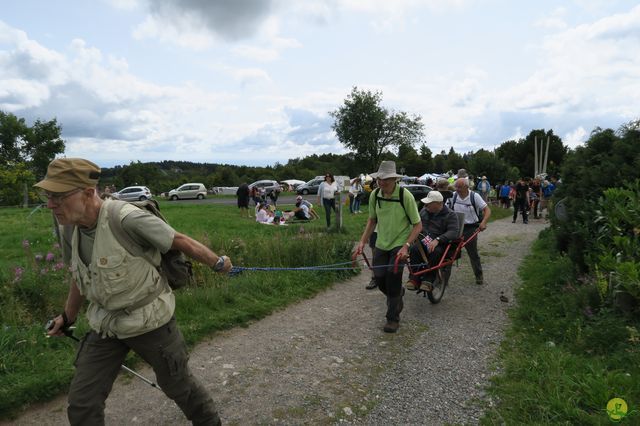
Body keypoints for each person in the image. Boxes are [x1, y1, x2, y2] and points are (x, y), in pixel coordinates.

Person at [38, 158, 231, 426]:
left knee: (178, 386)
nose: (50, 205)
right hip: (105, 324)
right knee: (83, 403)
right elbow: (79, 274)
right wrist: (67, 317)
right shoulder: (69, 229)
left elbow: (179, 240)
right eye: (48, 196)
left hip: (150, 320)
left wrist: (218, 263)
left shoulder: (126, 218)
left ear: (86, 192)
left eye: (58, 197)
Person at [353, 161, 422, 333]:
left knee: (393, 278)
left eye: (386, 180)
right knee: (380, 277)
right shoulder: (375, 195)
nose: (382, 183)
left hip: (400, 244)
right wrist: (362, 241)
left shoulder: (405, 196)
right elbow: (372, 220)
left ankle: (392, 319)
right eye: (379, 179)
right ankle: (398, 295)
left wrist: (406, 246)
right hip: (381, 242)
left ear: (394, 179)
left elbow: (417, 225)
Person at [405, 191, 459, 290]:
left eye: (429, 203)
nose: (426, 205)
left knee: (435, 251)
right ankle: (414, 278)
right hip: (425, 239)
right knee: (414, 249)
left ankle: (428, 279)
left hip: (442, 242)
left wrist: (438, 240)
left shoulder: (451, 215)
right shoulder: (424, 211)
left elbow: (453, 232)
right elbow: (417, 225)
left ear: (439, 203)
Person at [448, 177, 491, 285]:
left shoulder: (474, 196)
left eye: (459, 187)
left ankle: (479, 275)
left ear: (466, 187)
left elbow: (487, 210)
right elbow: (445, 210)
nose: (457, 189)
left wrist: (484, 222)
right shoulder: (453, 196)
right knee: (449, 253)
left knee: (473, 253)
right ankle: (444, 279)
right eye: (456, 186)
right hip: (455, 227)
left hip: (470, 228)